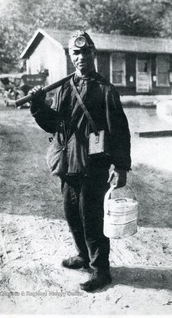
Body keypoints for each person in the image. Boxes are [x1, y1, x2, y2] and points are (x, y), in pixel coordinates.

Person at [29, 30, 131, 292]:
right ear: (71, 56)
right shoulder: (64, 88)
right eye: (76, 52)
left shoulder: (105, 90)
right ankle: (83, 257)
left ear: (93, 54)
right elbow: (53, 124)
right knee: (72, 215)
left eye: (86, 51)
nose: (81, 56)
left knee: (93, 219)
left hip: (92, 167)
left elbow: (119, 132)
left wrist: (120, 167)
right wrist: (39, 105)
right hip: (67, 163)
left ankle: (101, 271)